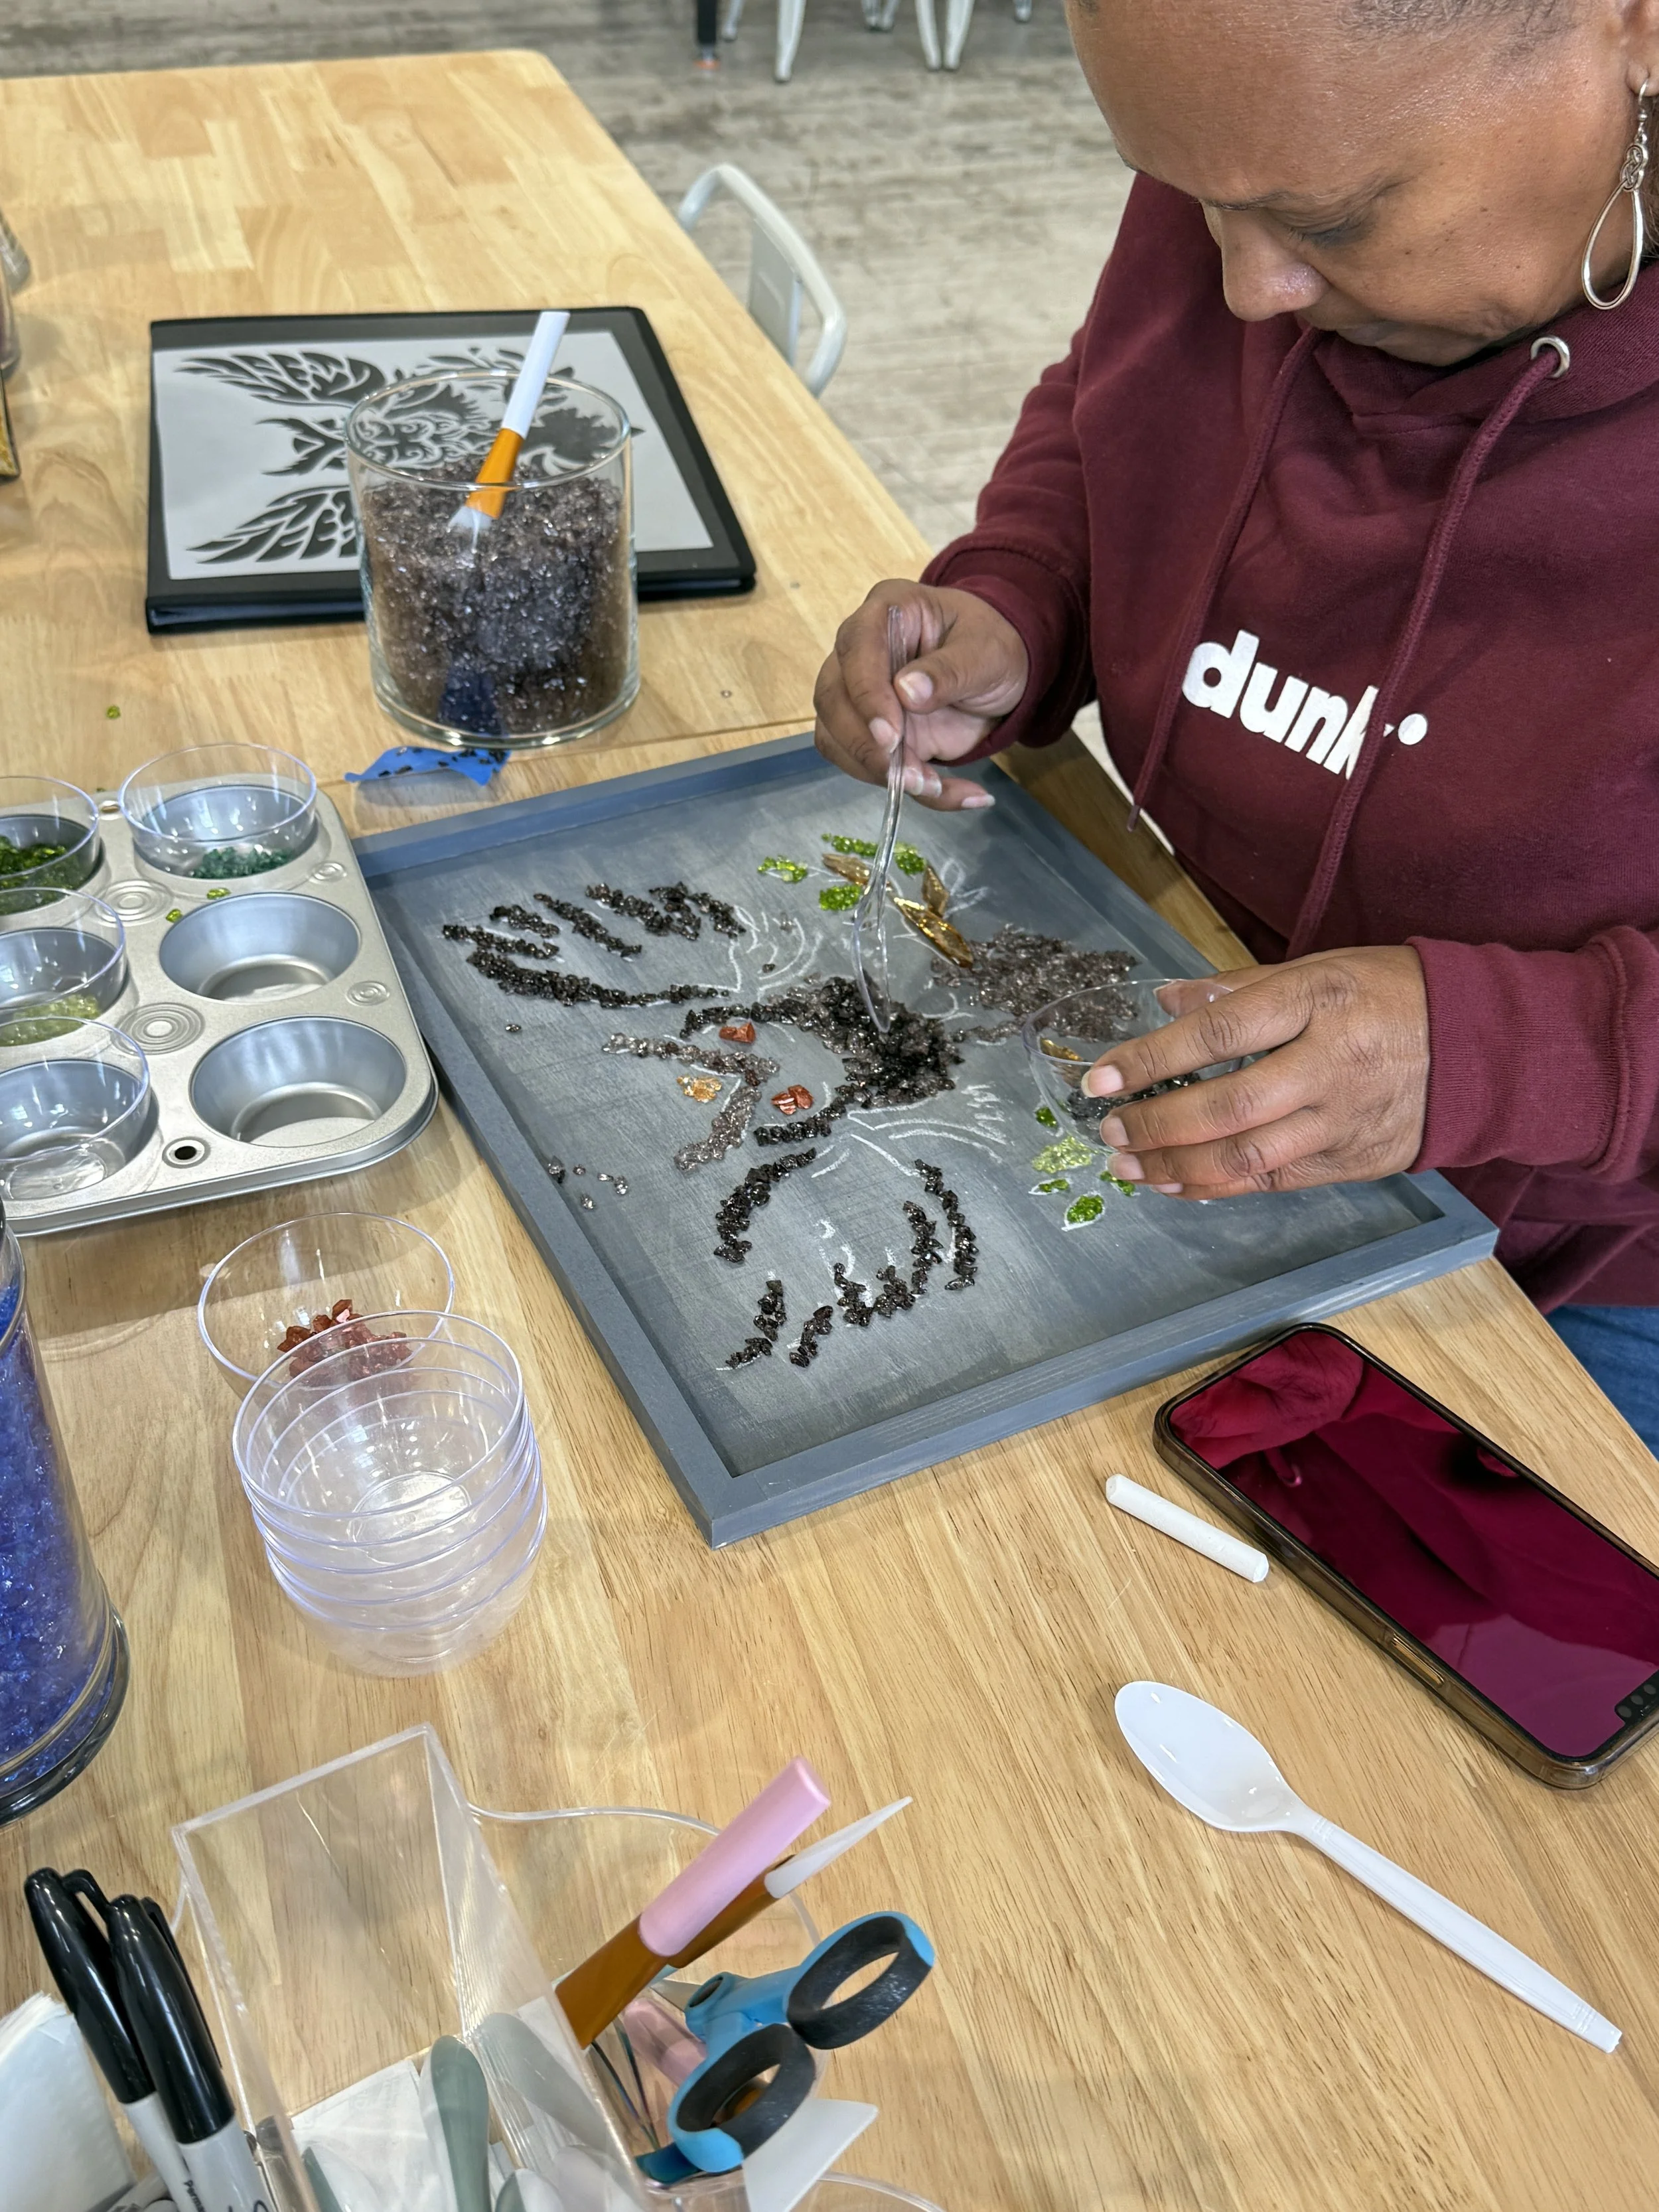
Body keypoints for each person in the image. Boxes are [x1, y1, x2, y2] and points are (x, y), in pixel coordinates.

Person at [812, 0, 1659, 1451]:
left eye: (1327, 217)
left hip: (1567, 1263)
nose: (1248, 287)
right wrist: (1021, 598)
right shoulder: (1257, 149)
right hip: (1166, 1036)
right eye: (1189, 198)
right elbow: (1113, 409)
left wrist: (1506, 1052)